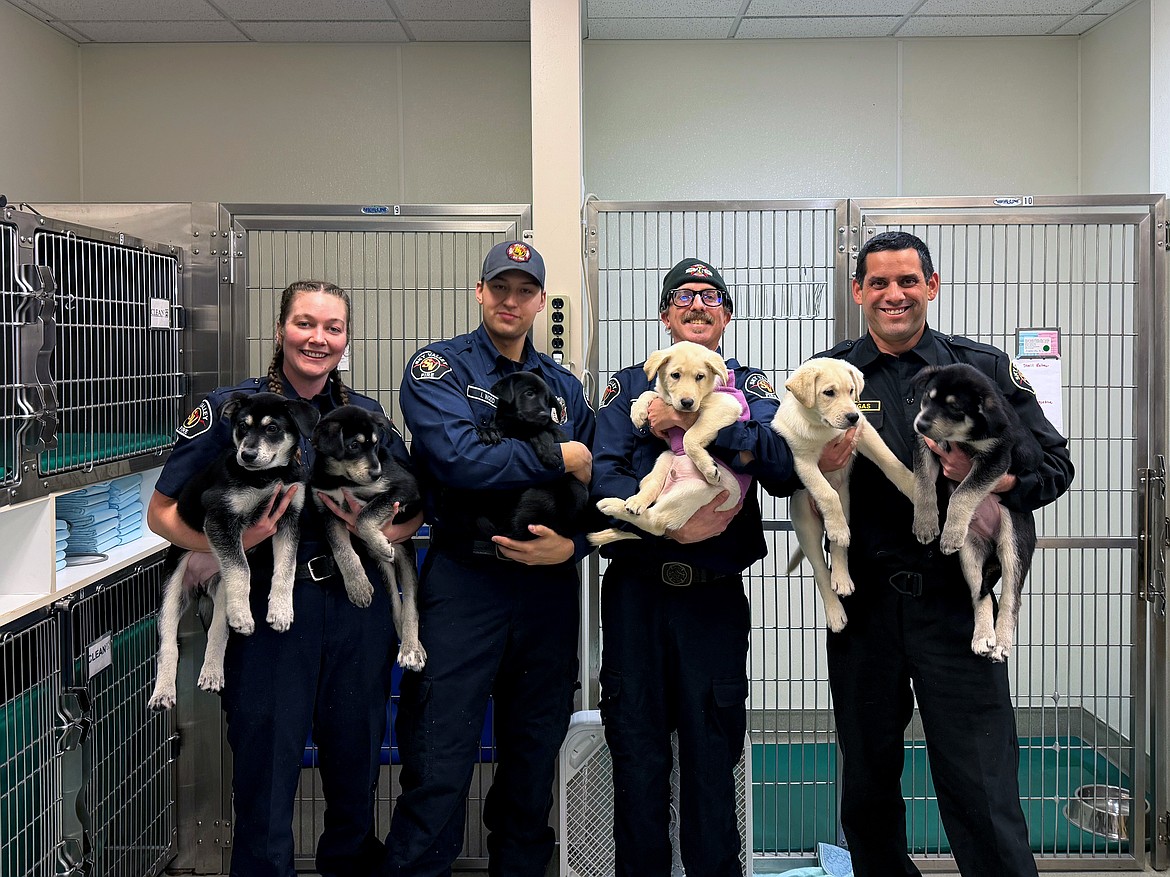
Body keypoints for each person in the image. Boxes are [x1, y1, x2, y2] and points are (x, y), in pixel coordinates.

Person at [816, 231, 1074, 876]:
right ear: (858, 291)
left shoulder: (980, 370)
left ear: (931, 286)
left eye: (908, 281)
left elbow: (1053, 465)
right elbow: (782, 469)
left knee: (982, 781)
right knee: (867, 782)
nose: (894, 295)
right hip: (867, 606)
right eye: (879, 282)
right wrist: (813, 465)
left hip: (958, 607)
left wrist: (992, 479)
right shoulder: (833, 375)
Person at [147, 280, 422, 877]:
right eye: (305, 323)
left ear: (346, 339)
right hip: (270, 610)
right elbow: (161, 513)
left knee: (355, 768)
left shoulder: (363, 417)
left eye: (332, 328)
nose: (318, 338)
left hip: (355, 608)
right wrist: (231, 545)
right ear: (280, 331)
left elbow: (412, 507)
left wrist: (382, 531)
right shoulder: (233, 409)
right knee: (265, 774)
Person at [382, 240, 595, 877]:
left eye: (525, 290)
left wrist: (576, 546)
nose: (510, 300)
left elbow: (599, 485)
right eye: (499, 287)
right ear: (480, 292)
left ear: (540, 301)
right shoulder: (440, 368)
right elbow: (458, 461)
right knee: (438, 758)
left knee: (533, 763)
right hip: (464, 581)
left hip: (547, 590)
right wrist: (558, 457)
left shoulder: (564, 386)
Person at [590, 258, 795, 877]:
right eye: (683, 297)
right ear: (664, 316)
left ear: (726, 316)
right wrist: (666, 523)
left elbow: (781, 464)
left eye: (711, 297)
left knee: (712, 756)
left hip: (712, 599)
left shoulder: (748, 386)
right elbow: (604, 474)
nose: (697, 305)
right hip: (637, 595)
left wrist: (690, 422)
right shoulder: (629, 386)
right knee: (637, 754)